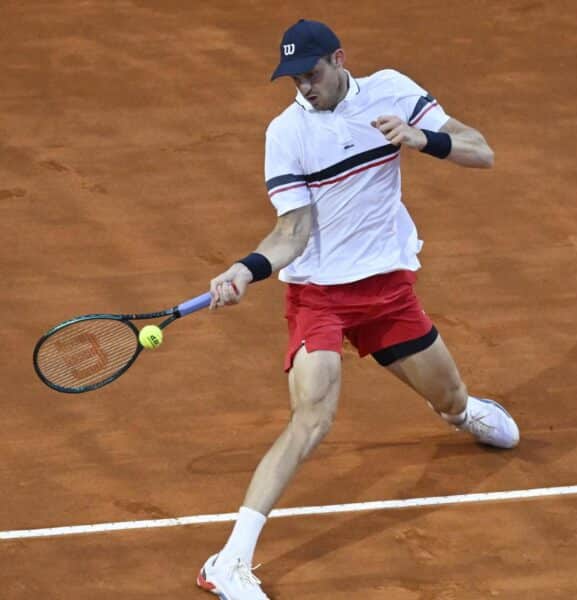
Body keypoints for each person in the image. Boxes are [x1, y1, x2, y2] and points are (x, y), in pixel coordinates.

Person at [194, 18, 520, 600]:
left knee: (449, 399)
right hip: (319, 296)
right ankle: (230, 560)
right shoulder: (286, 133)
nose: (304, 88)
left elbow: (483, 152)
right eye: (293, 79)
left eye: (311, 74)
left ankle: (464, 411)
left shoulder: (393, 90)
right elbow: (292, 232)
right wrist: (246, 268)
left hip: (387, 292)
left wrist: (425, 141)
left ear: (340, 59)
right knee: (312, 419)